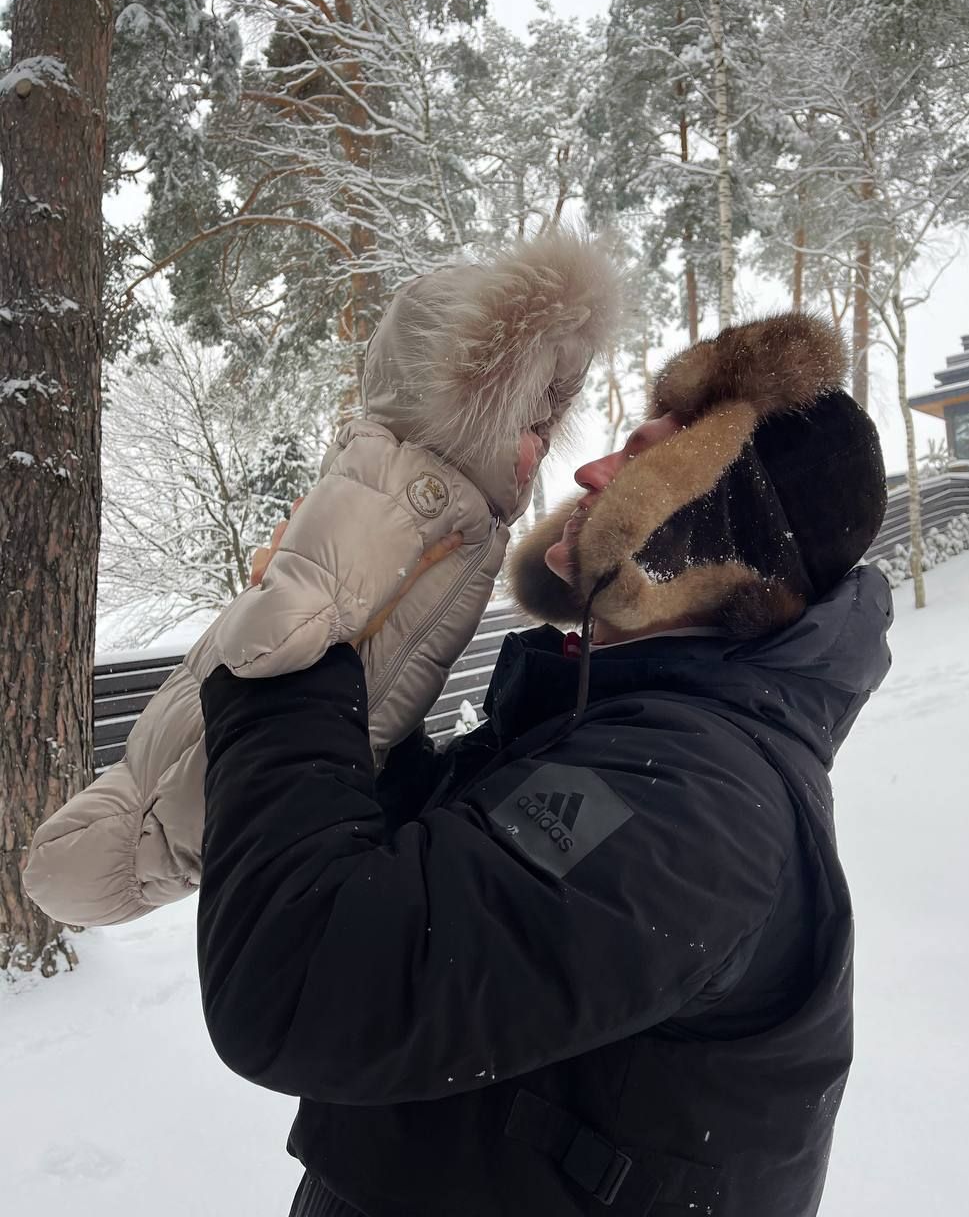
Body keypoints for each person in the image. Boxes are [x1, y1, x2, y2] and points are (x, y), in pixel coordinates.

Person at [196, 312, 891, 1217]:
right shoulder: (625, 729)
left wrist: (285, 677)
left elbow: (299, 980)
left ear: (717, 535)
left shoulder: (690, 803)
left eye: (642, 461)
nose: (591, 473)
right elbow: (415, 878)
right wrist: (361, 666)